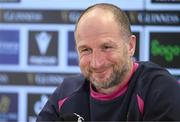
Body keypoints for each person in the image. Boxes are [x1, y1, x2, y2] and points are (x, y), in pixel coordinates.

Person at [37, 3, 180, 121]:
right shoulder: (67, 91)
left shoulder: (160, 89)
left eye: (106, 47)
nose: (96, 63)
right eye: (86, 50)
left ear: (130, 45)